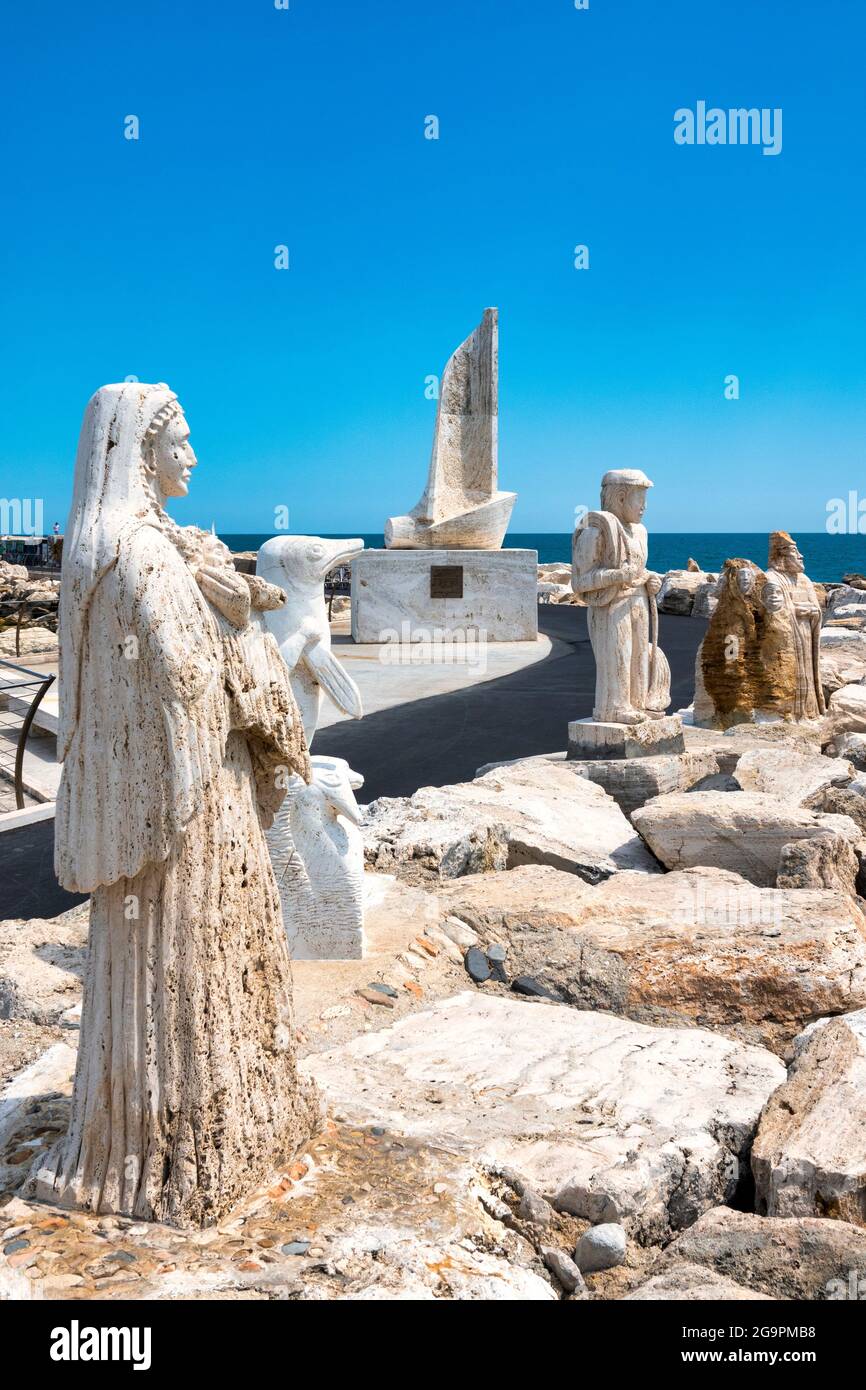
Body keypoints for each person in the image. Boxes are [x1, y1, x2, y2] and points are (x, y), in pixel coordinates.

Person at [27, 382, 318, 1228]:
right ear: (137, 451)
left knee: (196, 956)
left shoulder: (125, 541)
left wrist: (223, 591)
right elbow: (187, 677)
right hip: (185, 805)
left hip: (182, 791)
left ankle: (203, 1131)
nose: (192, 456)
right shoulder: (139, 549)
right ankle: (173, 1151)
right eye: (179, 441)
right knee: (187, 960)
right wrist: (248, 640)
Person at [572, 468, 669, 723]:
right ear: (621, 497)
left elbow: (639, 569)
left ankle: (637, 703)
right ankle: (614, 707)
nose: (645, 507)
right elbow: (580, 582)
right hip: (611, 606)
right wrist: (617, 576)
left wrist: (650, 579)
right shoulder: (596, 531)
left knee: (638, 656)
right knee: (618, 657)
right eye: (640, 499)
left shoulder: (641, 532)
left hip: (638, 602)